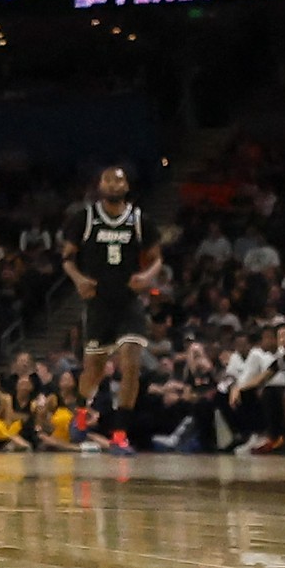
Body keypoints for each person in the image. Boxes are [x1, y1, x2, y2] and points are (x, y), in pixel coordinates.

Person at [69, 163, 161, 450]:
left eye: (118, 181)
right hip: (98, 303)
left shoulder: (138, 220)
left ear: (127, 187)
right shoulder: (84, 219)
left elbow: (157, 257)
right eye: (107, 181)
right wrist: (79, 279)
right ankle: (82, 408)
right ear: (100, 186)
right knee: (93, 370)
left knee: (131, 362)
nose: (113, 185)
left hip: (128, 302)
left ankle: (120, 432)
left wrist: (147, 276)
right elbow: (67, 259)